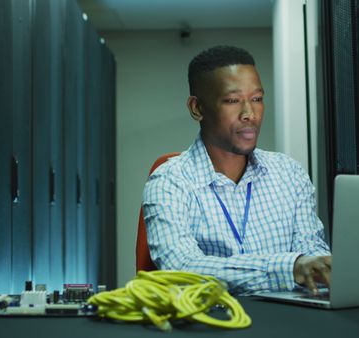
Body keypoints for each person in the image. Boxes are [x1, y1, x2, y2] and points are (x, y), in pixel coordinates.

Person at [142, 45, 331, 294]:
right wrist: (290, 268)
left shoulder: (290, 173)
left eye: (257, 99)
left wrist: (320, 266)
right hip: (212, 326)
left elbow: (312, 250)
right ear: (197, 108)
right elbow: (182, 268)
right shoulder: (168, 181)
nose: (249, 114)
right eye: (232, 101)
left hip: (289, 321)